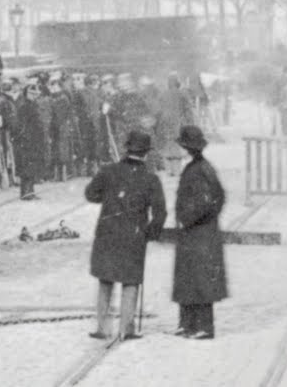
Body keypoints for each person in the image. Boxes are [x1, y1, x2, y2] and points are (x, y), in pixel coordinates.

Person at [85, 129, 166, 341]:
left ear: (126, 149)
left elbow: (90, 194)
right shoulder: (151, 179)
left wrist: (109, 198)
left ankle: (103, 327)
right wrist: (149, 233)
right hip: (134, 234)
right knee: (130, 281)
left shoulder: (108, 171)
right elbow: (160, 213)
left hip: (107, 233)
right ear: (146, 153)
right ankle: (126, 328)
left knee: (105, 279)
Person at [171, 124, 227, 339]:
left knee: (200, 280)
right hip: (197, 232)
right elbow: (218, 198)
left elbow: (208, 202)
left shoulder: (199, 170)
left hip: (199, 232)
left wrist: (187, 219)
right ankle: (187, 323)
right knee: (189, 278)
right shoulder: (199, 167)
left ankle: (203, 326)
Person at [13, 80, 50, 201]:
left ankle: (30, 191)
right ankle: (26, 192)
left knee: (31, 167)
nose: (34, 96)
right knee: (27, 167)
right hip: (27, 141)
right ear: (26, 94)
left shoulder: (32, 105)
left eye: (35, 94)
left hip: (34, 141)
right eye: (31, 94)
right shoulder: (25, 107)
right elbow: (22, 125)